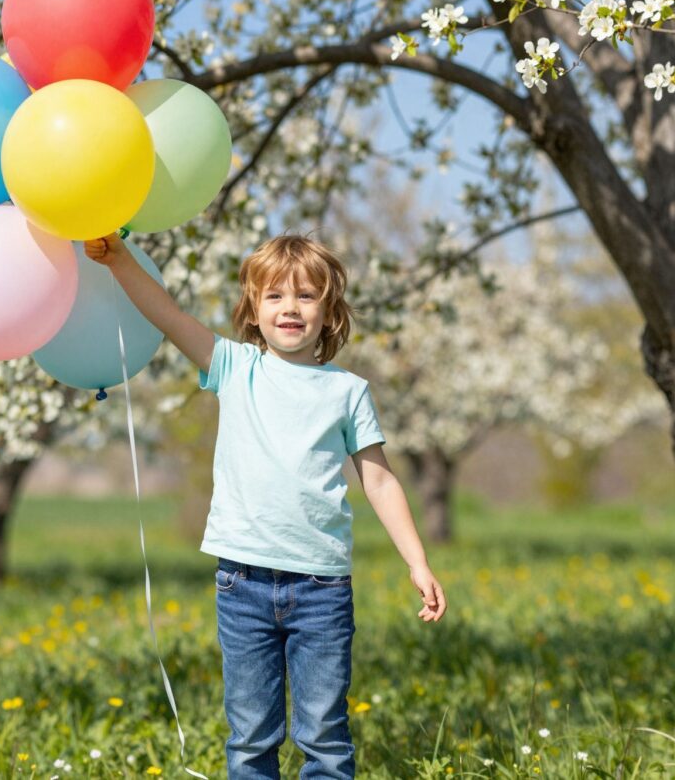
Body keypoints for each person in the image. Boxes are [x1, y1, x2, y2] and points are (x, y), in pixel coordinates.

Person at [85, 231, 446, 780]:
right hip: (243, 583)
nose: (290, 308)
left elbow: (379, 481)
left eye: (306, 296)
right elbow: (168, 316)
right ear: (253, 310)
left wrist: (417, 561)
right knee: (251, 735)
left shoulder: (347, 391)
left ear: (330, 312)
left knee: (324, 734)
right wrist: (119, 261)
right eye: (275, 295)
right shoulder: (234, 367)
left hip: (322, 589)